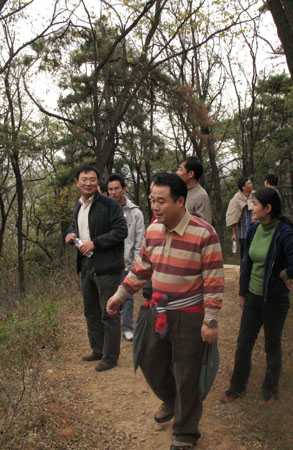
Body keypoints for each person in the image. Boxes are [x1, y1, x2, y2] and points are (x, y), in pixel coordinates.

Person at [106, 173, 224, 450]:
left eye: (161, 201)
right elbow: (141, 269)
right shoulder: (153, 230)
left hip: (189, 313)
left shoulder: (204, 233)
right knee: (149, 361)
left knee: (187, 373)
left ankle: (185, 433)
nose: (155, 207)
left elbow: (214, 280)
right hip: (157, 310)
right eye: (152, 200)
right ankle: (171, 400)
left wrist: (210, 319)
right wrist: (120, 295)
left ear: (180, 201)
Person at [220, 188, 293, 406]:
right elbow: (246, 264)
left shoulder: (284, 232)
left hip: (275, 299)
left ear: (268, 208)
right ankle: (236, 387)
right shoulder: (254, 229)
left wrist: (283, 275)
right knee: (243, 344)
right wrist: (242, 293)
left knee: (272, 345)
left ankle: (270, 390)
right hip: (253, 297)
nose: (251, 208)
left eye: (255, 204)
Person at [65, 165, 128, 372]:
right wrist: (71, 234)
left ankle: (110, 357)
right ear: (77, 182)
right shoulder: (78, 206)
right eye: (84, 180)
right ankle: (98, 349)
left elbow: (121, 231)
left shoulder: (109, 204)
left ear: (97, 182)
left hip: (107, 266)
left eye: (92, 179)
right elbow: (76, 227)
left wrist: (95, 243)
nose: (88, 183)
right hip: (85, 264)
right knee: (91, 311)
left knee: (109, 312)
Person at [107, 173, 145, 341]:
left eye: (116, 188)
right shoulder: (104, 210)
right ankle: (111, 327)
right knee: (110, 296)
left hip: (127, 262)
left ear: (124, 189)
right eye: (110, 189)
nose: (113, 192)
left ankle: (127, 327)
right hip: (109, 262)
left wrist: (136, 264)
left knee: (127, 296)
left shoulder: (135, 213)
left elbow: (139, 241)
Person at [176, 156, 213, 224]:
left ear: (191, 174)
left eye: (180, 170)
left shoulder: (201, 196)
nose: (177, 173)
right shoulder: (179, 191)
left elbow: (205, 225)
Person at [225, 177, 254, 261]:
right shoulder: (236, 199)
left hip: (255, 232)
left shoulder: (255, 196)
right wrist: (234, 233)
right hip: (243, 233)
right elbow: (233, 216)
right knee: (244, 257)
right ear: (243, 187)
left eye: (251, 182)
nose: (251, 184)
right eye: (249, 183)